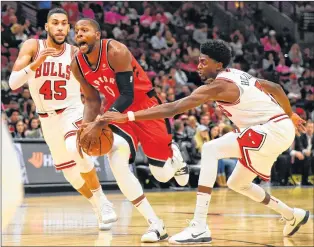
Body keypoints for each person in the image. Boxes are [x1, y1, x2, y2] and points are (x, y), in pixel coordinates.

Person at [100, 39, 310, 244]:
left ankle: (199, 225)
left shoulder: (218, 86)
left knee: (210, 149)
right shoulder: (238, 74)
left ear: (218, 64)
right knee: (237, 183)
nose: (198, 66)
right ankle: (292, 214)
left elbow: (174, 108)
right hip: (276, 130)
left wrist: (128, 117)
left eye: (203, 62)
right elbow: (275, 87)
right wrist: (289, 114)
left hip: (271, 131)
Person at [71, 18, 189, 242]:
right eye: (76, 31)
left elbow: (128, 94)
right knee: (116, 160)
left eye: (84, 30)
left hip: (146, 108)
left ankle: (172, 152)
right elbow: (93, 100)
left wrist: (100, 122)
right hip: (115, 114)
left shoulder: (116, 51)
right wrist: (86, 127)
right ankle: (156, 224)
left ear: (98, 35)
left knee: (162, 176)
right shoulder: (77, 64)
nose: (79, 34)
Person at [8, 8, 116, 231]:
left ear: (68, 27)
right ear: (47, 27)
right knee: (71, 175)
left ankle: (103, 199)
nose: (59, 27)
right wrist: (36, 64)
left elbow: (92, 88)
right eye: (54, 23)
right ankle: (97, 205)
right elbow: (13, 83)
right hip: (46, 118)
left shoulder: (76, 53)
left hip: (71, 110)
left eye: (64, 23)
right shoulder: (32, 46)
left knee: (73, 146)